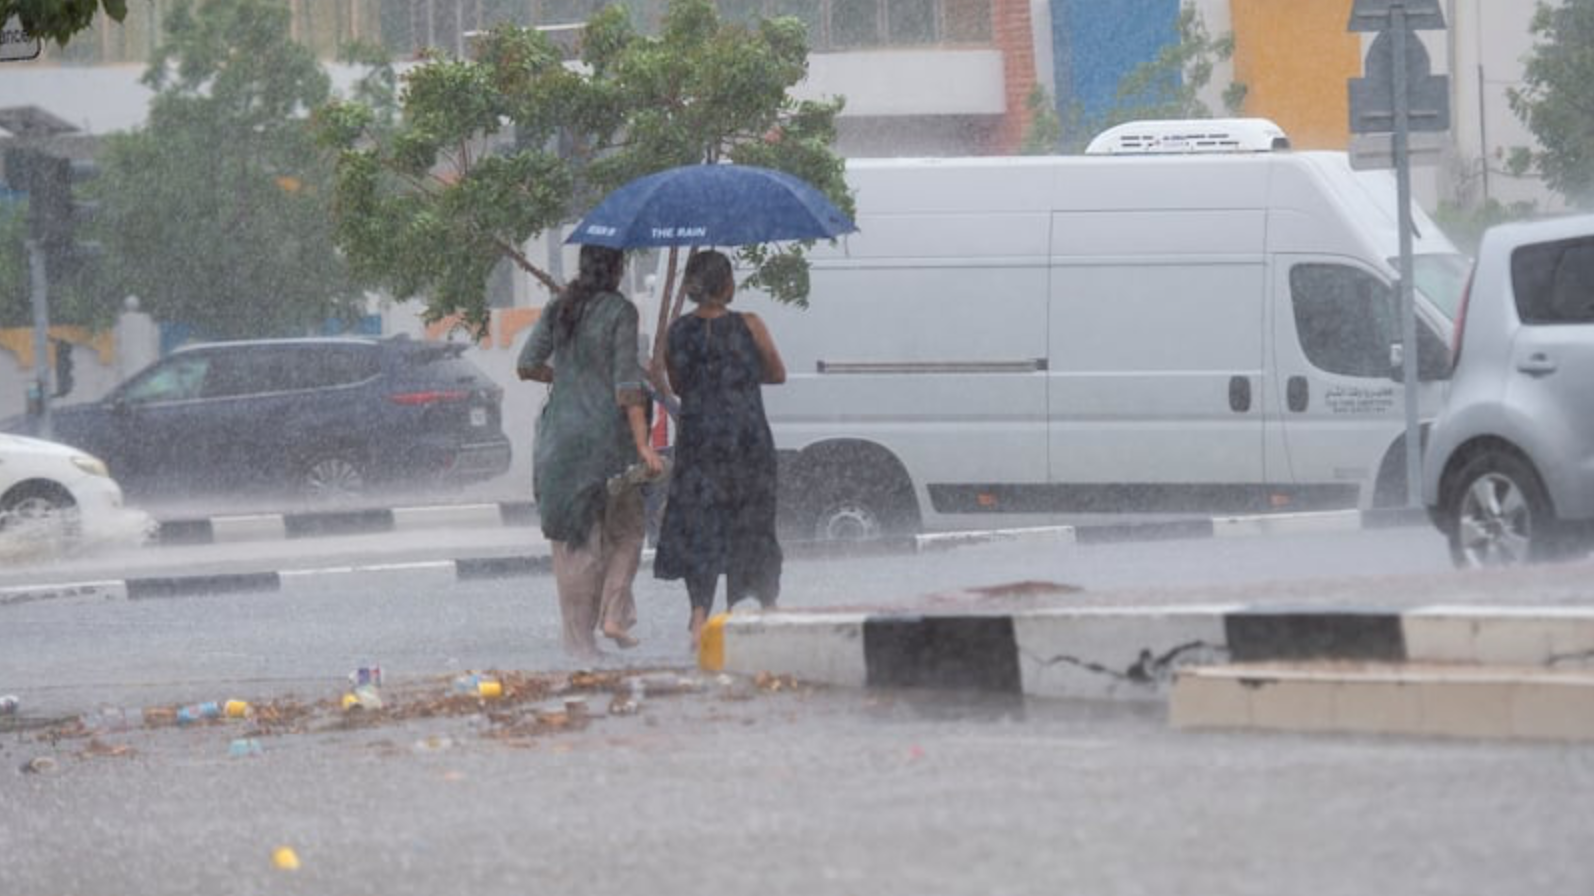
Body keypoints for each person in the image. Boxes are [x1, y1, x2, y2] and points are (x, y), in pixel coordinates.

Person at [518, 245, 664, 659]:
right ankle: (614, 613)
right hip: (608, 442)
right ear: (617, 268)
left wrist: (565, 378)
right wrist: (642, 444)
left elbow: (527, 364)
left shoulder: (559, 307)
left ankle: (581, 650)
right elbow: (626, 388)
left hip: (559, 444)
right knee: (627, 531)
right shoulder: (621, 312)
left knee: (575, 546)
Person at [652, 249, 786, 650]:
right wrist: (740, 376)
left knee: (702, 526)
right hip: (746, 440)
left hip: (699, 443)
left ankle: (698, 619)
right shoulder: (750, 325)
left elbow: (677, 385)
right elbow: (776, 372)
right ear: (727, 284)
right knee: (754, 522)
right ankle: (765, 606)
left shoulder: (677, 332)